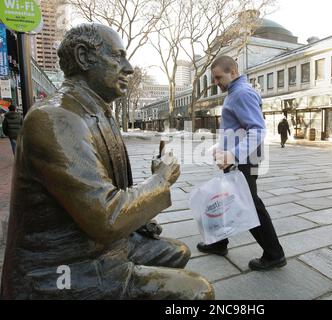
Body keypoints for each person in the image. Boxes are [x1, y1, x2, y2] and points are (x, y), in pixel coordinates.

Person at [1, 23, 214, 300]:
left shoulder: (96, 111)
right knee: (197, 291)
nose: (129, 67)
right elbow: (107, 217)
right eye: (117, 56)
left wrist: (139, 219)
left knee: (178, 252)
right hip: (60, 268)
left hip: (97, 244)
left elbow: (107, 195)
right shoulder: (55, 118)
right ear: (83, 57)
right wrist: (160, 180)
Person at [197, 55, 286, 271]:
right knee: (229, 199)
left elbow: (257, 130)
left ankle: (274, 254)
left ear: (233, 72)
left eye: (218, 77)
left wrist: (233, 155)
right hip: (238, 160)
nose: (216, 83)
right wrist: (220, 149)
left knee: (250, 206)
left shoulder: (242, 93)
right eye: (214, 78)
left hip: (243, 161)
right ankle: (219, 242)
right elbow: (236, 129)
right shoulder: (235, 92)